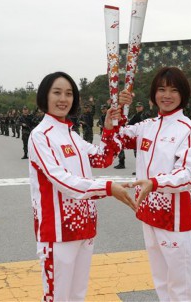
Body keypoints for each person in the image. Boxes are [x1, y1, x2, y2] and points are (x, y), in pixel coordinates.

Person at [28, 71, 136, 301]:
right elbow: (62, 181)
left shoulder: (71, 134)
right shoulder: (40, 136)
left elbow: (102, 158)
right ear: (44, 96)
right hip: (57, 231)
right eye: (56, 92)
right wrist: (108, 188)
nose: (63, 99)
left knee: (77, 296)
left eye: (68, 94)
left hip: (84, 227)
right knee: (57, 297)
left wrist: (108, 128)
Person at [118, 66, 191, 301]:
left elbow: (187, 174)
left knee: (181, 286)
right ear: (153, 94)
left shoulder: (188, 130)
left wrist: (154, 183)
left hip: (176, 217)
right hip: (149, 212)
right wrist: (119, 108)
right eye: (161, 89)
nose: (166, 95)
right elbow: (117, 136)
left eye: (174, 90)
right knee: (161, 281)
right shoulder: (147, 126)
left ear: (183, 95)